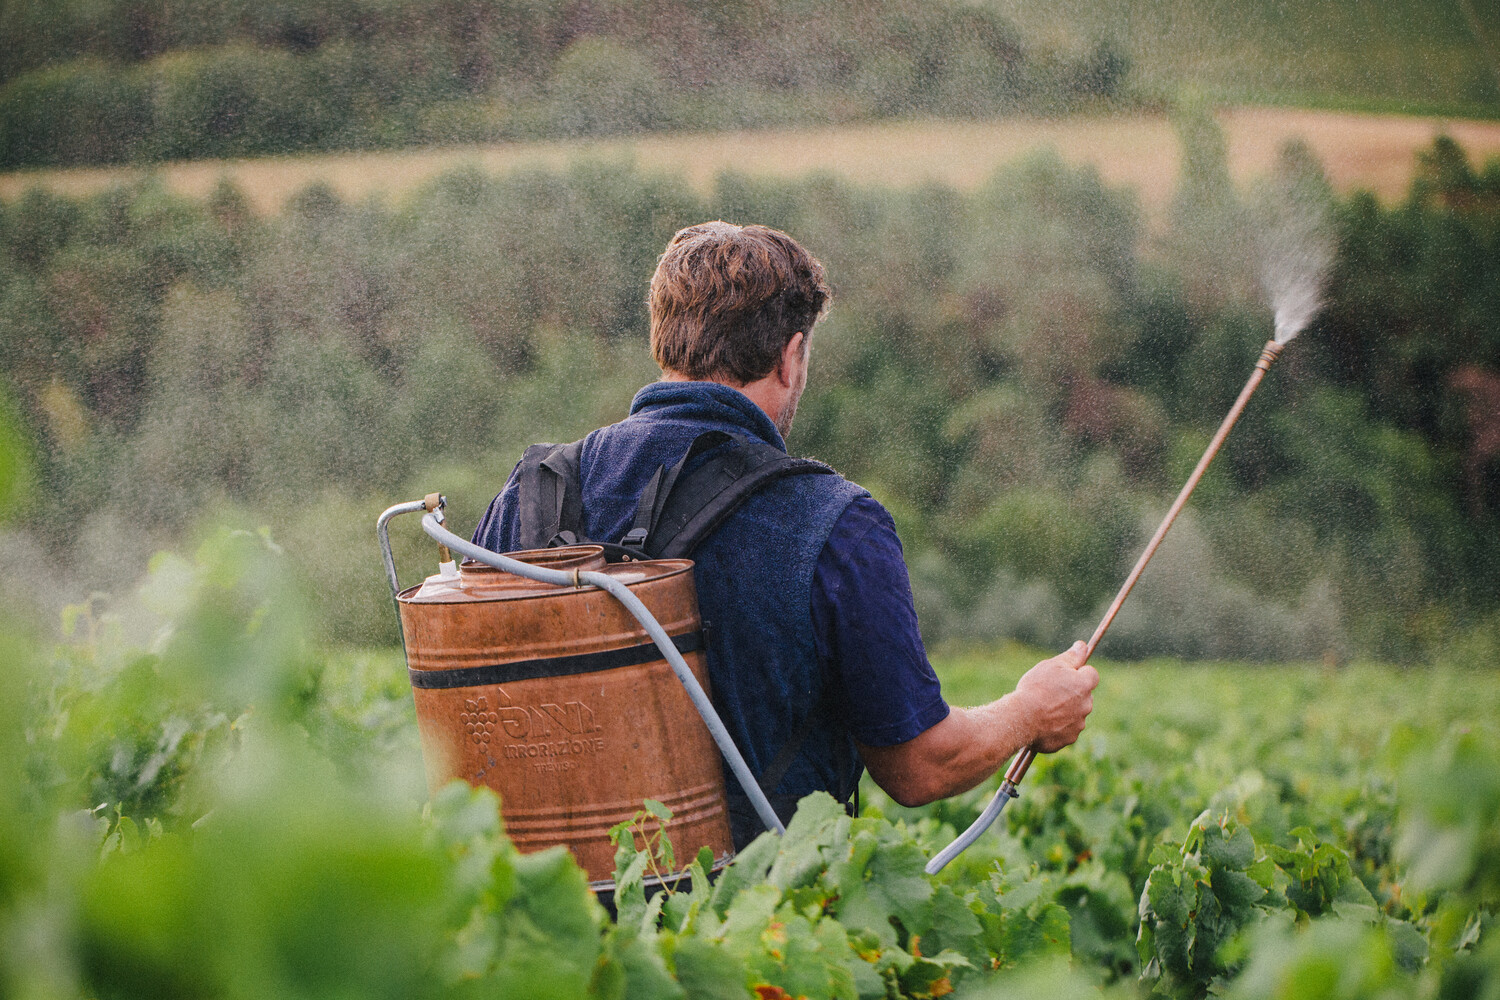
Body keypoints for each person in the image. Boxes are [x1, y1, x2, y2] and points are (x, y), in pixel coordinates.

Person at [473, 221, 1098, 848]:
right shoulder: (836, 525)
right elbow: (919, 766)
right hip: (754, 928)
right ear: (790, 356)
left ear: (665, 343)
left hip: (542, 921)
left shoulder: (532, 493)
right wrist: (1028, 712)